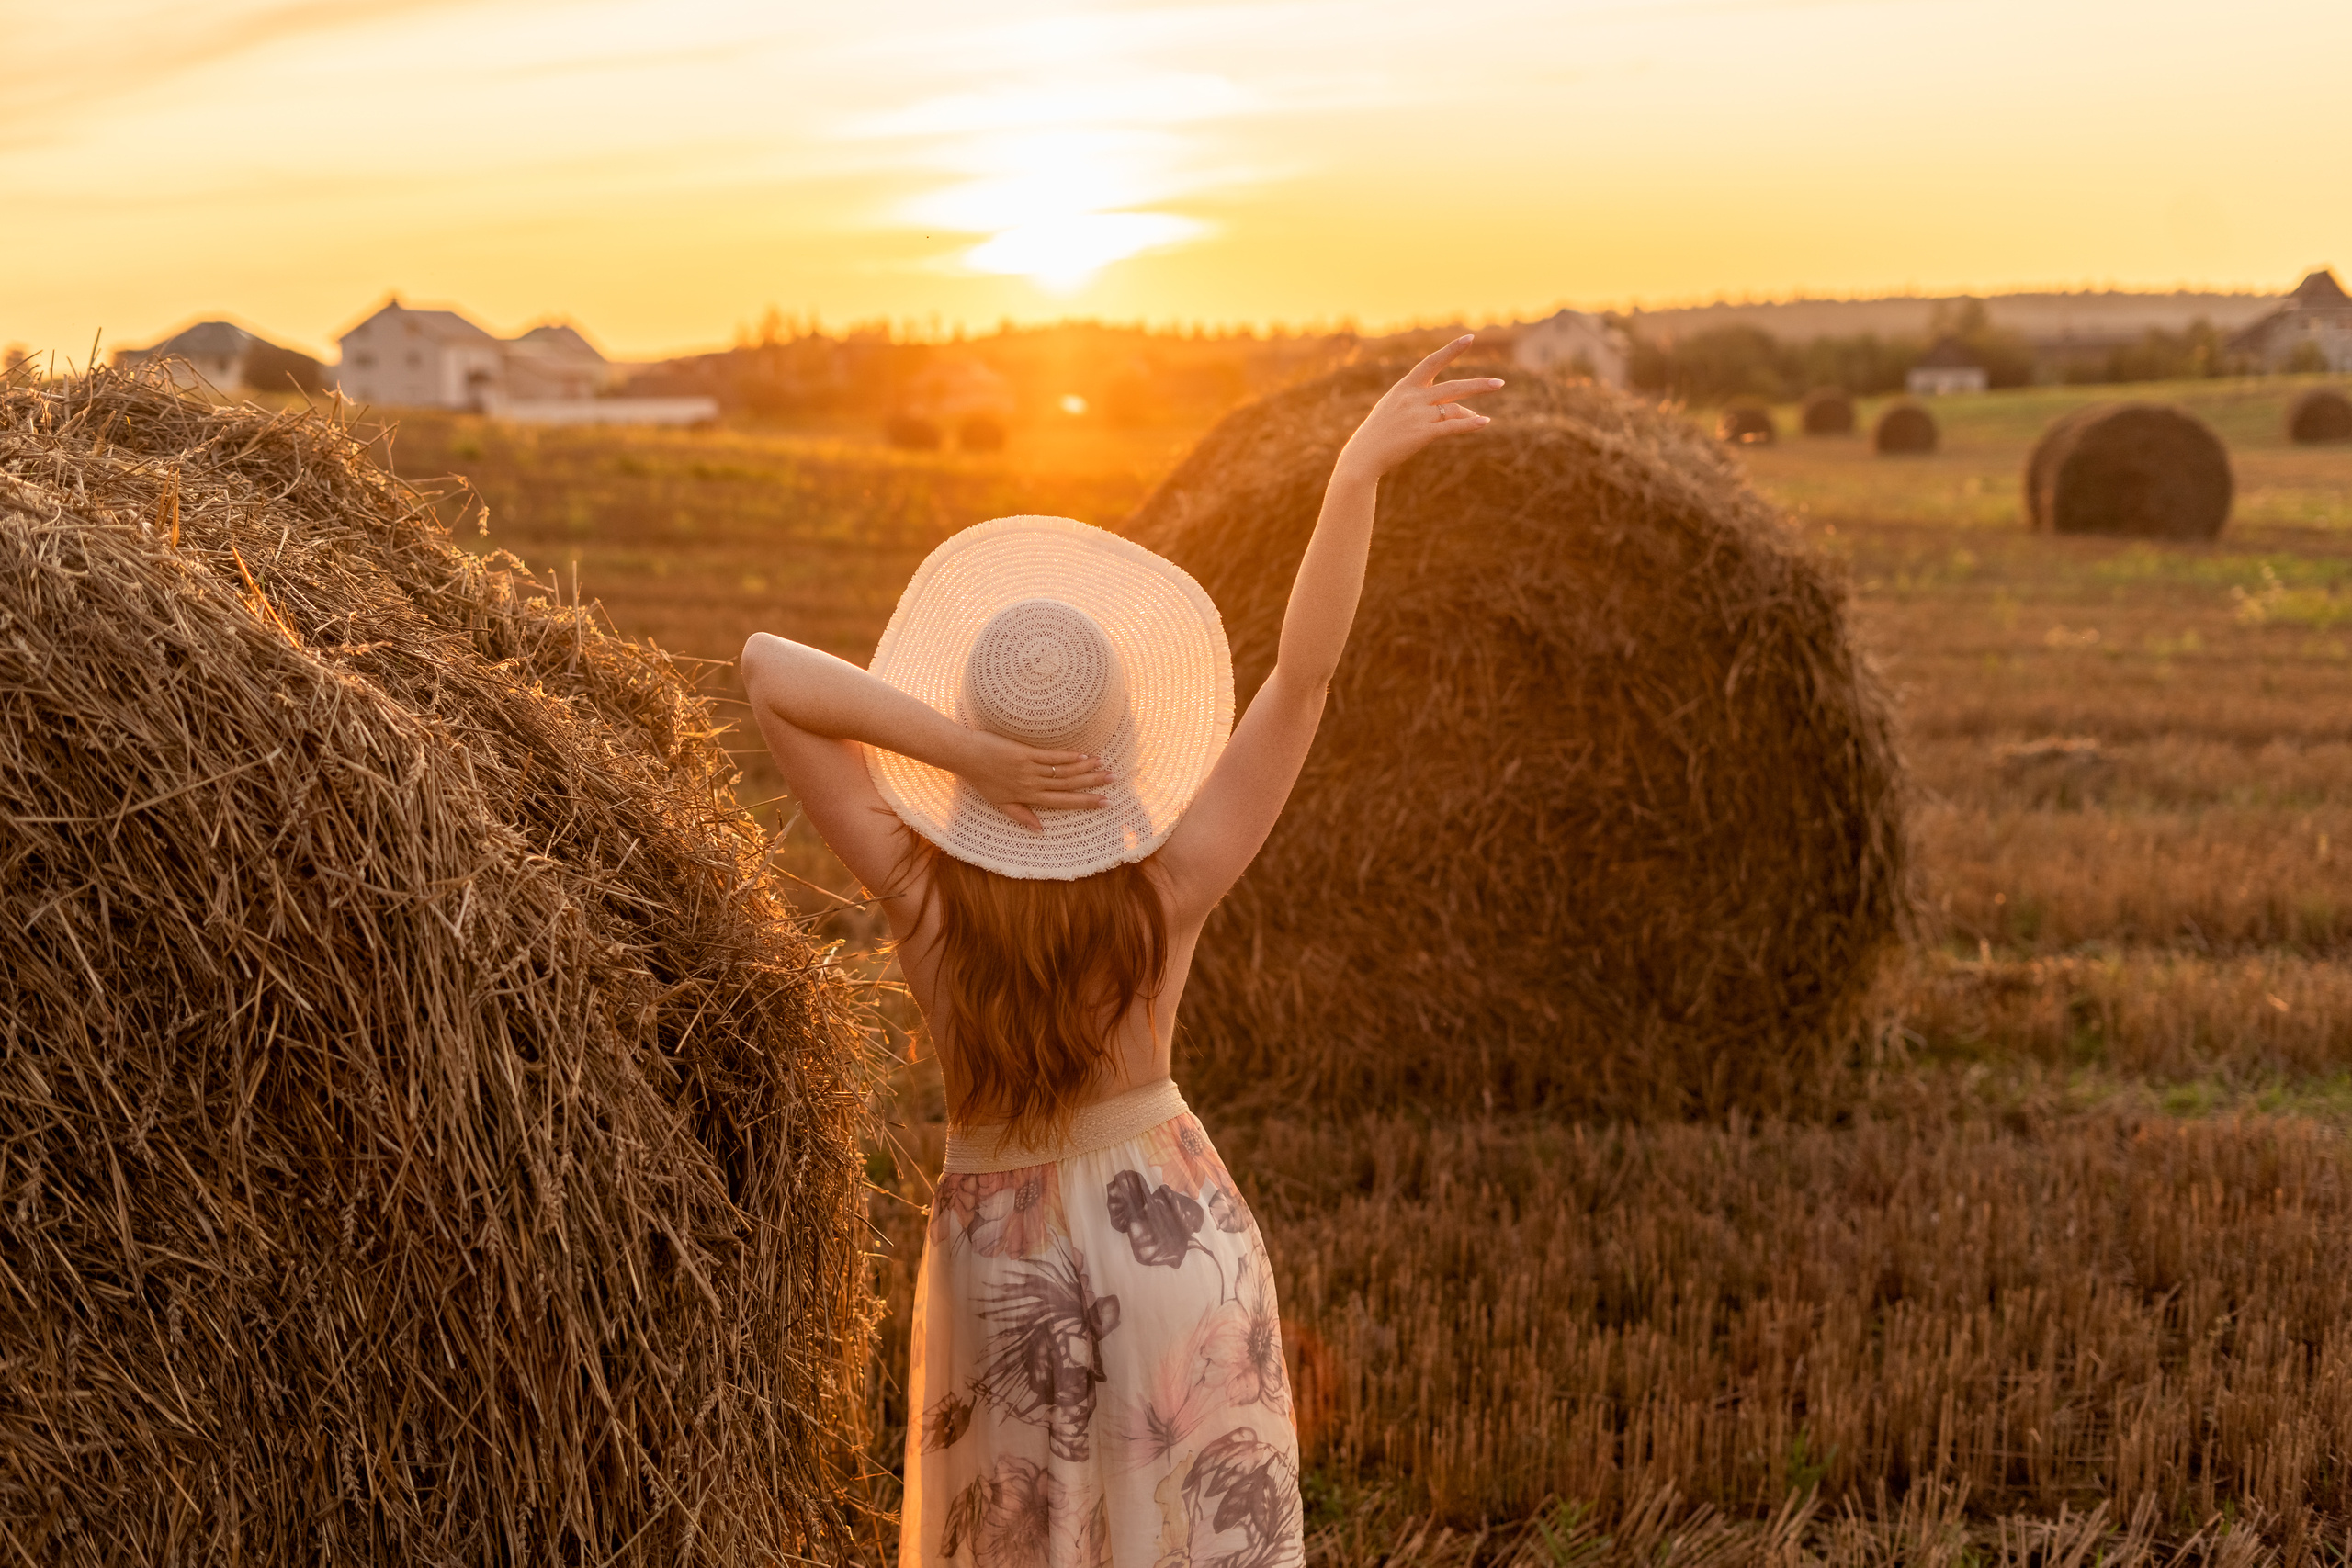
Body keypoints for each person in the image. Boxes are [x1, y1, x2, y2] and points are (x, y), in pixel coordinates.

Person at [741, 339, 1501, 1568]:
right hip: (1173, 1236)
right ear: (1123, 742)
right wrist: (1351, 476)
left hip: (1001, 1263)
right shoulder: (1168, 889)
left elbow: (768, 671)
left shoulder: (922, 896)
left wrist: (967, 755)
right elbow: (1302, 683)